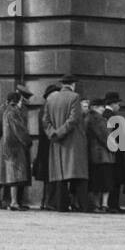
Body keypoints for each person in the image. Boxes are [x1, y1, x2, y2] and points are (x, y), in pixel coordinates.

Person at [43, 77, 88, 213]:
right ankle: (84, 206)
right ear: (73, 84)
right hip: (73, 142)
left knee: (60, 176)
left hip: (56, 142)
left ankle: (61, 205)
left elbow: (45, 120)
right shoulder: (75, 97)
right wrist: (61, 132)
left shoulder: (50, 100)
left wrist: (53, 133)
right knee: (79, 174)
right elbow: (74, 119)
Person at [0, 90, 31, 210]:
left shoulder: (8, 111)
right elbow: (19, 130)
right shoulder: (12, 112)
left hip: (9, 145)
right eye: (21, 100)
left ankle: (14, 202)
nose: (22, 103)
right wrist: (27, 141)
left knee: (11, 175)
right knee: (14, 175)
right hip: (14, 146)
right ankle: (13, 202)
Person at [85, 97, 116, 213]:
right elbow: (105, 136)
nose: (103, 108)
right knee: (104, 182)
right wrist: (114, 147)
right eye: (101, 106)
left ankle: (96, 204)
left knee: (95, 181)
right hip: (102, 155)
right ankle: (103, 204)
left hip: (92, 155)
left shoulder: (87, 118)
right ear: (94, 107)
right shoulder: (98, 119)